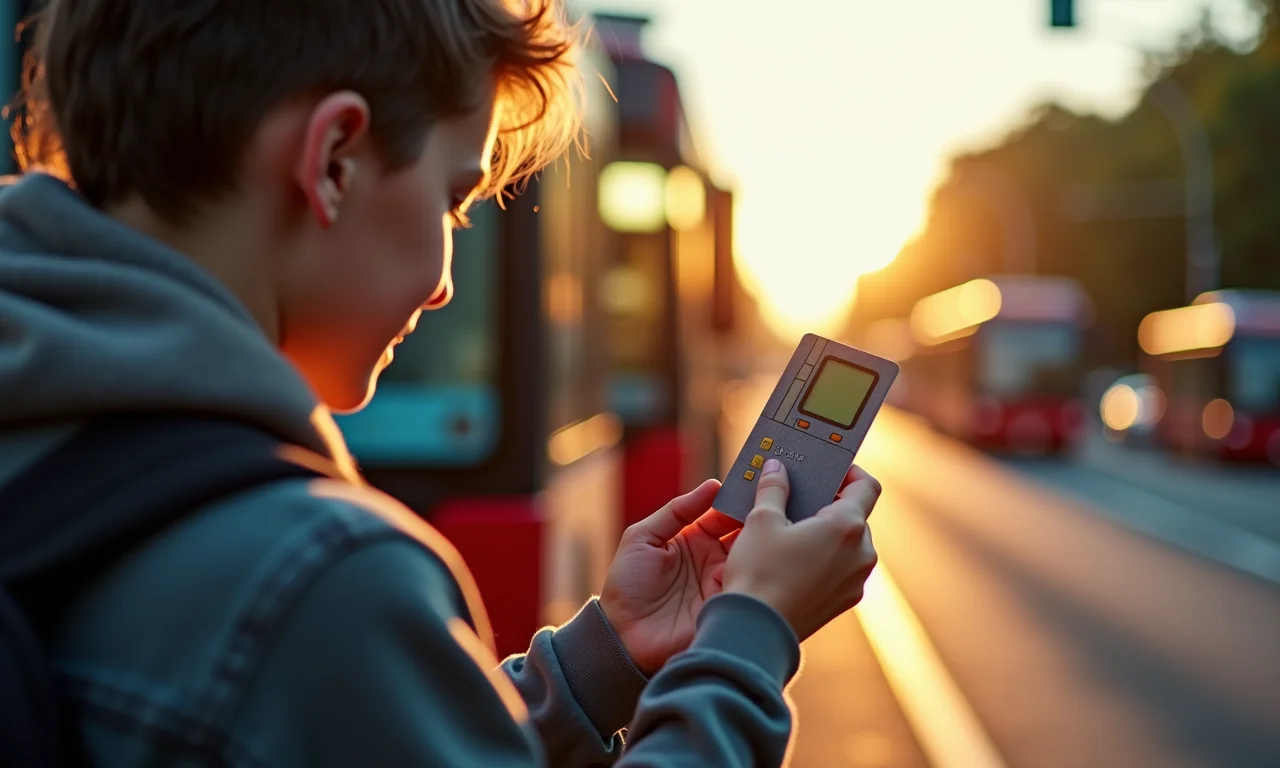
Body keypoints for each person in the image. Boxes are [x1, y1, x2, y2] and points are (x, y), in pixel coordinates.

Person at [0, 0, 882, 765]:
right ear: (333, 159)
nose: (444, 286)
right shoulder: (315, 581)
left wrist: (603, 660)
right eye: (453, 202)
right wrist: (748, 639)